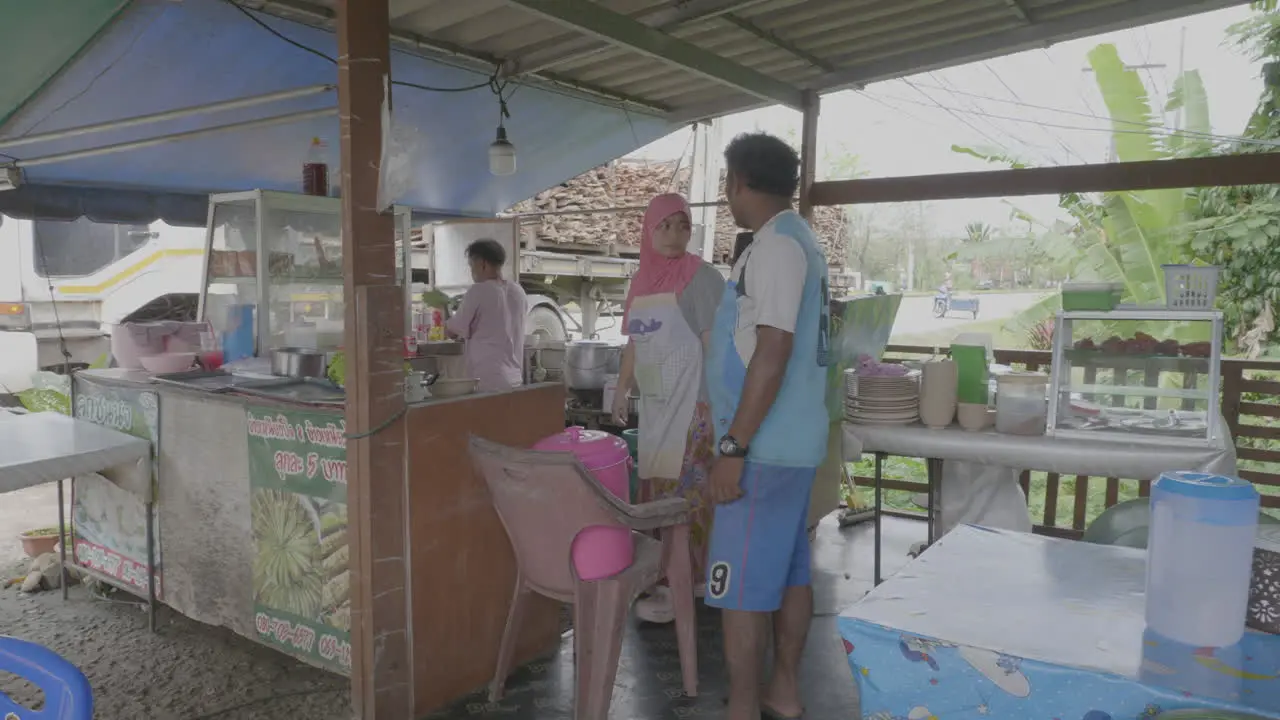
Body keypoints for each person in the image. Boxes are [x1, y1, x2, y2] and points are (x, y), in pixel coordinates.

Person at [703, 132, 831, 720]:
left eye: (727, 182)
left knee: (740, 587)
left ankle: (745, 706)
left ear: (740, 182)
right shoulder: (795, 240)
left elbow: (773, 350)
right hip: (789, 441)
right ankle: (783, 690)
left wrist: (734, 445)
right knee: (790, 569)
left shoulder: (777, 246)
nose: (727, 194)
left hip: (764, 446)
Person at [613, 192, 725, 623]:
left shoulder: (701, 278)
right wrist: (622, 389)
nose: (674, 235)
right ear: (648, 230)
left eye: (682, 226)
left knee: (689, 495)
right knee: (660, 490)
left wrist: (717, 410)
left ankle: (690, 584)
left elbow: (716, 349)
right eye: (665, 226)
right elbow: (634, 344)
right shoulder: (641, 280)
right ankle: (669, 578)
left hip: (695, 405)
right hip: (657, 406)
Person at [444, 239, 527, 392]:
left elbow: (452, 332)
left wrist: (443, 309)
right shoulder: (518, 291)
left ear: (482, 264)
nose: (471, 272)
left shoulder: (479, 291)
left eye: (471, 266)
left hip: (488, 378)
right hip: (515, 377)